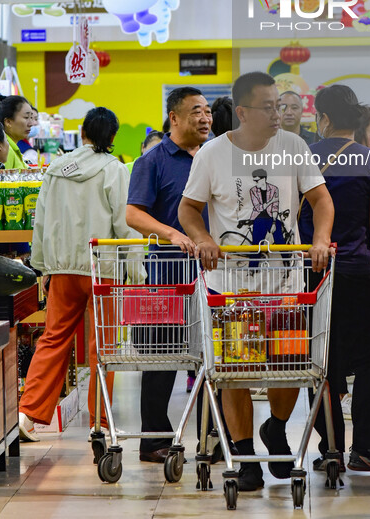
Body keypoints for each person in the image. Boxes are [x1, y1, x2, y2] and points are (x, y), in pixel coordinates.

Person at [179, 71, 333, 492]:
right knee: (237, 371)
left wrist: (319, 239)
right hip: (231, 287)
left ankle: (276, 428)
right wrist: (203, 239)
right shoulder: (211, 154)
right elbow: (189, 210)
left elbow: (321, 199)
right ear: (243, 111)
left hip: (286, 285)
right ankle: (245, 458)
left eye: (280, 105)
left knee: (289, 365)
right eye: (268, 107)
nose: (278, 113)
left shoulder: (294, 147)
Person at [299, 85, 370, 475]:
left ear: (323, 119)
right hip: (356, 272)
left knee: (322, 362)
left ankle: (329, 448)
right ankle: (365, 448)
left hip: (310, 274)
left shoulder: (302, 156)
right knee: (367, 362)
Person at [18, 108, 141, 442]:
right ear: (112, 137)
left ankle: (27, 413)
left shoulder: (55, 170)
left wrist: (42, 266)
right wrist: (136, 270)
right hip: (103, 270)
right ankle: (99, 423)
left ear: (84, 132)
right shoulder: (115, 171)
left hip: (63, 269)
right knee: (103, 347)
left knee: (54, 338)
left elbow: (39, 222)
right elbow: (124, 226)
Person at [126, 87, 212, 463]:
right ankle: (154, 441)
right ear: (174, 118)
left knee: (214, 359)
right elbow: (134, 214)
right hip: (167, 275)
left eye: (207, 110)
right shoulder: (153, 161)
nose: (205, 117)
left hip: (213, 277)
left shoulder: (216, 157)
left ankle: (211, 439)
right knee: (161, 360)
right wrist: (172, 233)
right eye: (196, 111)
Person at [0, 94, 33, 169]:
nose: (31, 123)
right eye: (26, 117)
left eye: (31, 117)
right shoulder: (5, 152)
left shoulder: (13, 150)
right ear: (8, 122)